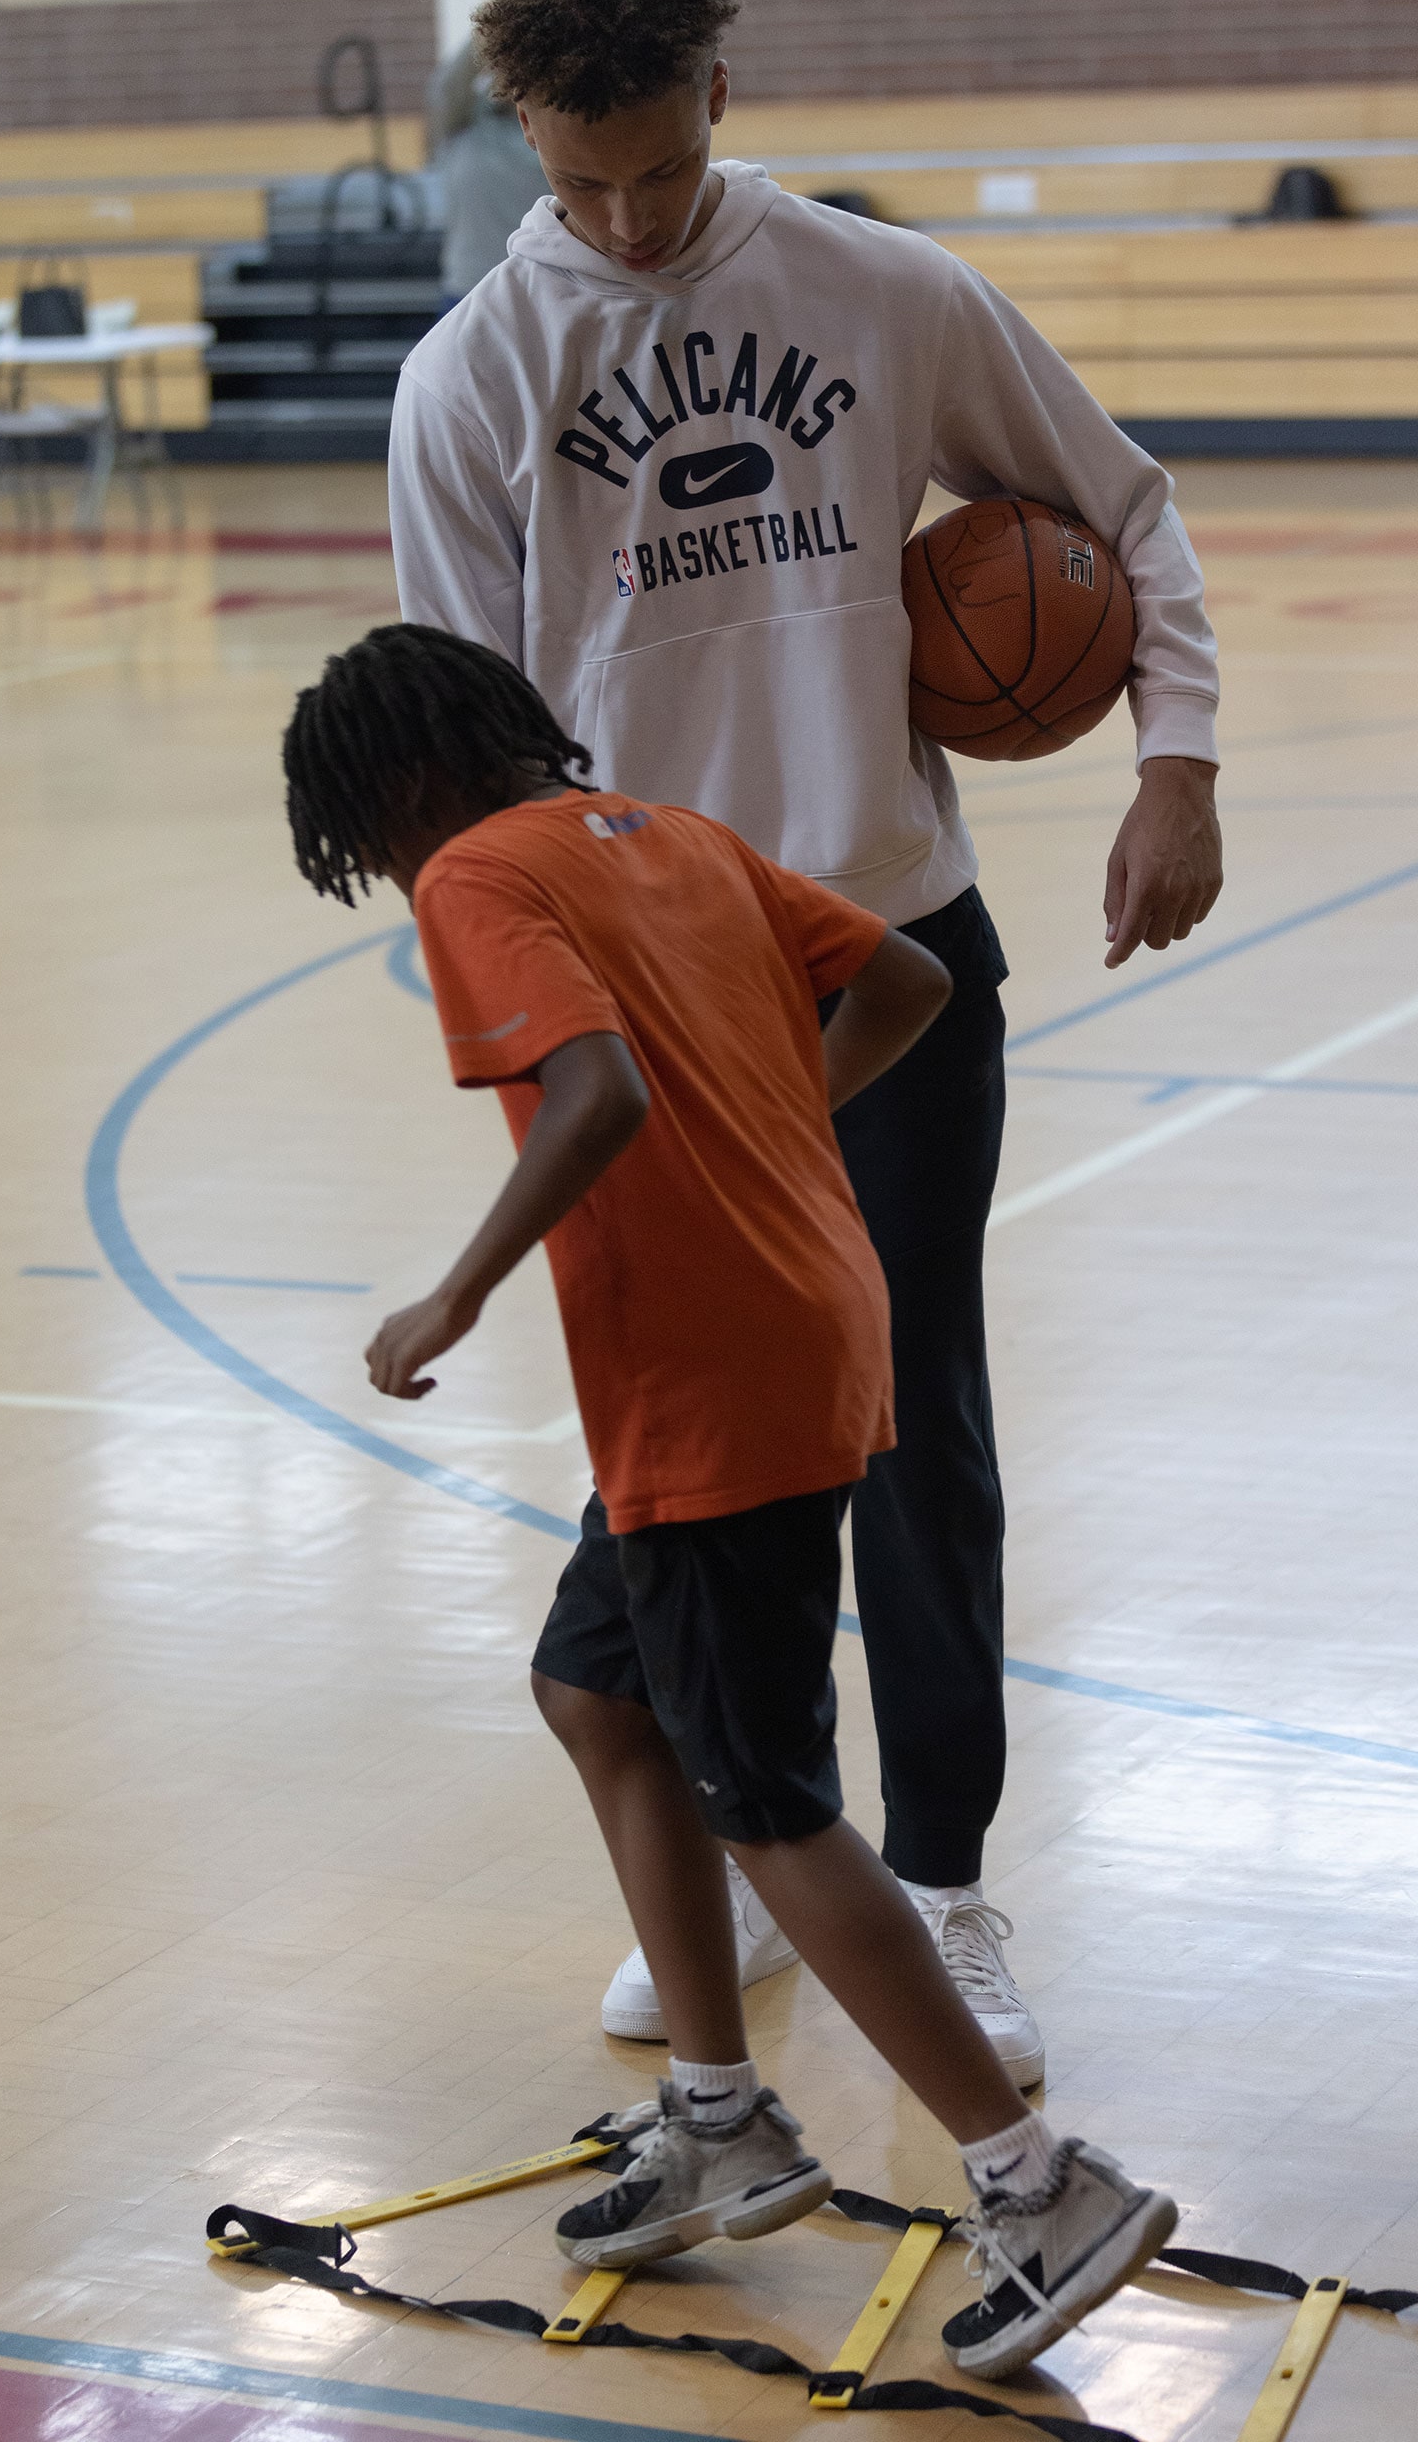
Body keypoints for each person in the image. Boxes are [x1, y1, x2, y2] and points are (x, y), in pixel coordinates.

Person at [386, 0, 1225, 2086]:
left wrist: (1177, 758)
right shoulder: (471, 373)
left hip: (898, 958)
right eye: (579, 185)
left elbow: (1121, 503)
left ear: (716, 106)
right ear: (530, 148)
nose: (625, 222)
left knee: (909, 1414)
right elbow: (468, 740)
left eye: (656, 172)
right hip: (657, 993)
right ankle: (757, 1847)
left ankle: (941, 1880)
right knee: (683, 1452)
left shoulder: (883, 290)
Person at [281, 620, 1180, 2384]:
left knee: (766, 1796)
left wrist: (455, 1291)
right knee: (597, 1690)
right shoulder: (668, 830)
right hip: (810, 1303)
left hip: (711, 1372)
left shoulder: (477, 871)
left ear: (404, 784)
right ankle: (721, 2112)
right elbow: (910, 986)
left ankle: (1039, 2181)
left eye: (368, 841)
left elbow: (599, 1089)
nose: (391, 874)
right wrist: (768, 1119)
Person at [424, 36, 550, 308]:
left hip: (538, 292)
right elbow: (446, 86)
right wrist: (499, 28)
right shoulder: (462, 129)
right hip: (467, 290)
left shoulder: (554, 135)